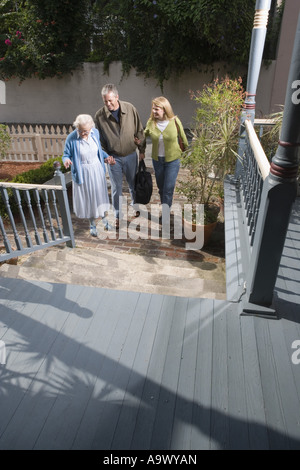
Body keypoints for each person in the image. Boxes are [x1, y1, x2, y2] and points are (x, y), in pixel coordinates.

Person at [94, 84, 146, 229]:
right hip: (113, 159)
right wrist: (105, 156)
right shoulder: (99, 116)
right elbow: (99, 140)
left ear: (117, 97)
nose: (108, 104)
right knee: (116, 188)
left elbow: (139, 130)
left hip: (130, 155)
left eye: (111, 100)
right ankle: (118, 215)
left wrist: (142, 149)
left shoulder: (130, 109)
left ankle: (136, 206)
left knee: (133, 183)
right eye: (105, 101)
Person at [62, 114, 115, 237]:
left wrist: (106, 157)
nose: (82, 134)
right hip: (83, 172)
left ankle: (105, 220)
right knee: (89, 199)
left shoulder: (95, 133)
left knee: (100, 196)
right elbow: (66, 154)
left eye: (85, 131)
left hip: (96, 169)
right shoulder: (71, 138)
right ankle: (92, 224)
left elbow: (98, 151)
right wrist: (66, 160)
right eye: (80, 130)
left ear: (91, 127)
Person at [142, 96, 188, 215]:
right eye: (153, 109)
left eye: (157, 109)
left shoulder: (175, 121)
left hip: (173, 160)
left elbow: (183, 139)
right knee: (161, 188)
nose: (154, 111)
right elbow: (143, 135)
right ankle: (165, 206)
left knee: (168, 189)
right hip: (157, 160)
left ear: (164, 109)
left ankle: (166, 214)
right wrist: (138, 141)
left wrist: (183, 153)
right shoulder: (151, 122)